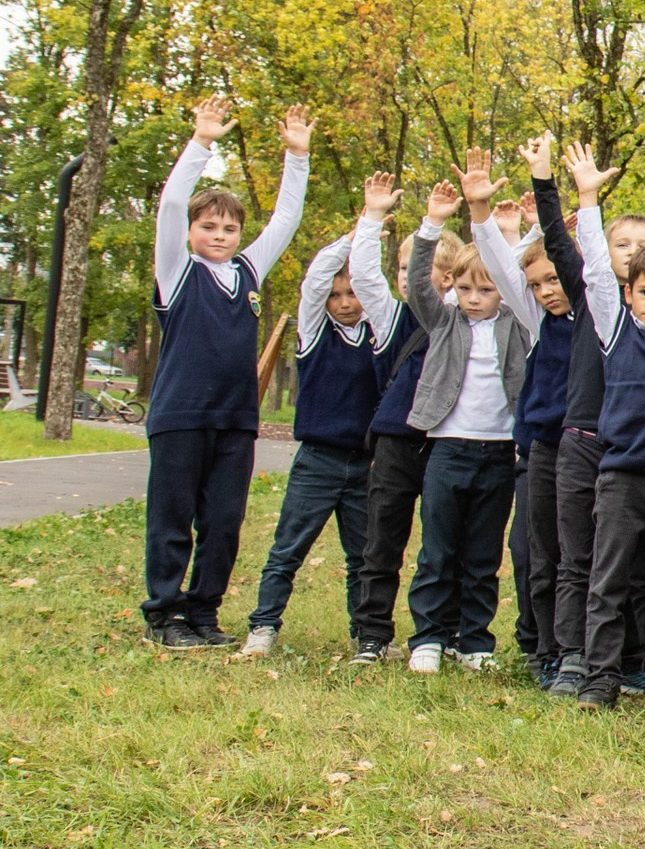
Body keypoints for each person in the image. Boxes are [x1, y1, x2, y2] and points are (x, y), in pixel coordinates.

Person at [534, 128, 645, 699]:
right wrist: (587, 199)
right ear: (628, 293)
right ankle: (598, 676)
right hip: (620, 474)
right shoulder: (612, 324)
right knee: (605, 579)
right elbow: (591, 272)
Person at [354, 157, 536, 673]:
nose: (475, 298)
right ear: (452, 287)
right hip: (447, 449)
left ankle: (474, 640)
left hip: (499, 452)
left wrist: (523, 228)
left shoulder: (517, 325)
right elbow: (415, 283)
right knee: (437, 551)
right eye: (465, 289)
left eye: (486, 289)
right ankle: (428, 637)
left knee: (482, 556)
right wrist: (432, 224)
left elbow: (515, 266)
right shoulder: (443, 321)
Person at [142, 98, 311, 648]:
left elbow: (286, 218)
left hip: (236, 420)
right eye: (209, 226)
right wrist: (201, 142)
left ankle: (203, 612)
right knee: (173, 519)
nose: (220, 234)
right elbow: (169, 205)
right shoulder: (176, 271)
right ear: (192, 231)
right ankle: (164, 615)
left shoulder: (247, 270)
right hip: (180, 416)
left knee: (222, 524)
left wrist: (297, 156)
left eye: (230, 227)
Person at [245, 206, 379, 656]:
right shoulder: (315, 335)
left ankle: (365, 634)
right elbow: (317, 276)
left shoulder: (379, 338)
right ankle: (263, 627)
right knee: (288, 550)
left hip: (364, 464)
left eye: (353, 293)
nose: (344, 302)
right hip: (317, 461)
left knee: (363, 558)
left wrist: (365, 254)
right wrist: (357, 232)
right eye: (337, 295)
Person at [349, 217, 458, 667]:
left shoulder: (461, 318)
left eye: (415, 266)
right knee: (381, 541)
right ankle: (372, 632)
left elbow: (500, 278)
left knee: (444, 544)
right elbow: (361, 274)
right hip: (396, 441)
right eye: (399, 268)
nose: (403, 276)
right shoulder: (392, 316)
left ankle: (440, 632)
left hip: (444, 441)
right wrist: (369, 220)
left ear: (448, 277)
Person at [503, 186, 579, 686]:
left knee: (578, 555)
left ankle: (582, 649)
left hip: (586, 449)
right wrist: (527, 231)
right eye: (536, 284)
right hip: (540, 450)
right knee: (535, 553)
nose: (547, 291)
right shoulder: (536, 323)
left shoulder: (600, 317)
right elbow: (498, 264)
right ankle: (542, 647)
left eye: (553, 279)